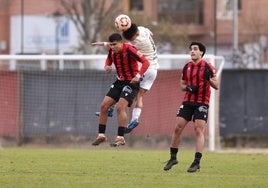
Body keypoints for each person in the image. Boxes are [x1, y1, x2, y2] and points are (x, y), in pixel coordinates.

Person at [92, 22, 159, 134]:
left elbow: (121, 46)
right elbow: (149, 32)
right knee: (139, 95)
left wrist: (105, 43)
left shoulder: (137, 41)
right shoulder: (143, 30)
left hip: (145, 67)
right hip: (154, 68)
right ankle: (134, 118)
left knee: (124, 77)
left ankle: (111, 109)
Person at [163, 42, 219, 172]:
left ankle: (196, 162)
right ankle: (173, 158)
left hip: (202, 103)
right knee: (177, 128)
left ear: (201, 52)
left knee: (198, 130)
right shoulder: (186, 67)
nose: (192, 51)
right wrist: (188, 87)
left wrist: (209, 80)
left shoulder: (208, 67)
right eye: (191, 49)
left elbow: (216, 85)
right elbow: (182, 85)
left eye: (195, 49)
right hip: (188, 102)